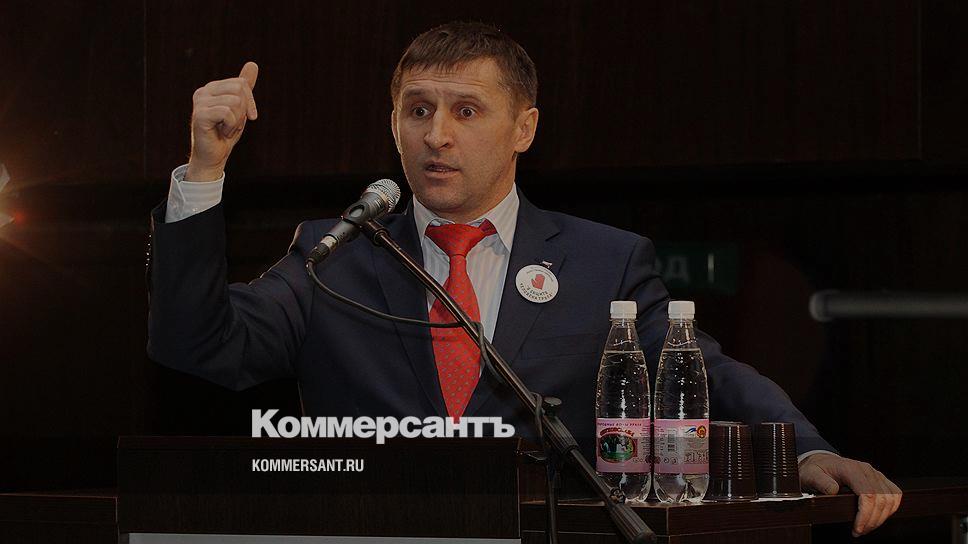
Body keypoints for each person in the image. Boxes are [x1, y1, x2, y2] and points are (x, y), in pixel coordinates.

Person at [147, 21, 901, 536]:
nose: (437, 135)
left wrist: (808, 451)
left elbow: (703, 369)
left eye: (467, 111)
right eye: (418, 110)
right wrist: (205, 170)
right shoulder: (334, 254)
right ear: (393, 125)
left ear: (524, 128)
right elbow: (197, 344)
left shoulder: (604, 262)